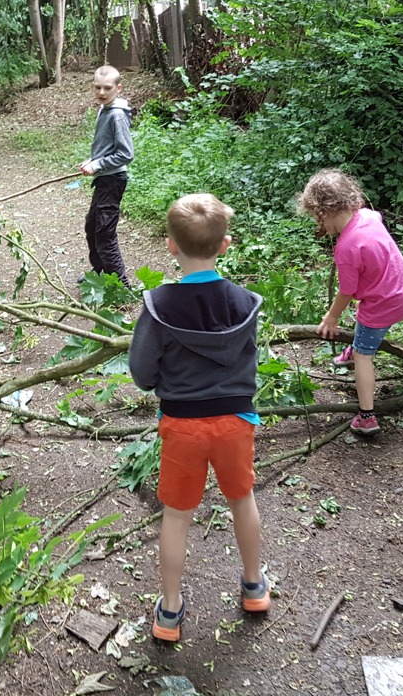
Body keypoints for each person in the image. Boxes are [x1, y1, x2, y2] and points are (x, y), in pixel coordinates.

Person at [128, 193, 271, 642]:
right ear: (225, 244)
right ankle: (253, 588)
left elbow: (141, 373)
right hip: (235, 422)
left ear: (171, 246)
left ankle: (169, 613)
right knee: (242, 500)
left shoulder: (158, 306)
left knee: (176, 516)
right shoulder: (245, 303)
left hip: (183, 426)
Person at [297, 168, 403, 436]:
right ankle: (357, 347)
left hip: (384, 302)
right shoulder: (368, 216)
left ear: (322, 211)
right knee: (367, 330)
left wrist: (331, 318)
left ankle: (367, 416)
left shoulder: (347, 247)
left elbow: (347, 293)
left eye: (316, 218)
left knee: (365, 355)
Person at [78, 65, 133, 287]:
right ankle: (101, 275)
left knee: (104, 234)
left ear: (118, 88)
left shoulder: (117, 115)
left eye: (107, 88)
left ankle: (122, 287)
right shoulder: (105, 108)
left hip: (112, 181)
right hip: (103, 178)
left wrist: (99, 164)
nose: (102, 92)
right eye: (98, 87)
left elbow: (126, 154)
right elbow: (107, 147)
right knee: (92, 226)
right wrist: (93, 162)